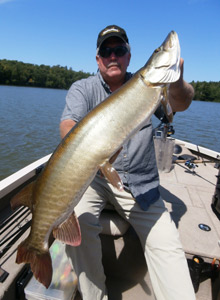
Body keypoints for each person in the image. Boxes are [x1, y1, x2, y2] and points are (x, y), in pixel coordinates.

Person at [60, 25, 195, 300]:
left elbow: (181, 103)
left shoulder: (150, 85)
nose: (113, 56)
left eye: (119, 50)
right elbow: (67, 124)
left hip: (140, 184)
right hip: (95, 180)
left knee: (166, 245)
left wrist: (177, 81)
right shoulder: (82, 88)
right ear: (98, 59)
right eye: (106, 51)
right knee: (80, 225)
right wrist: (89, 152)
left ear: (129, 57)